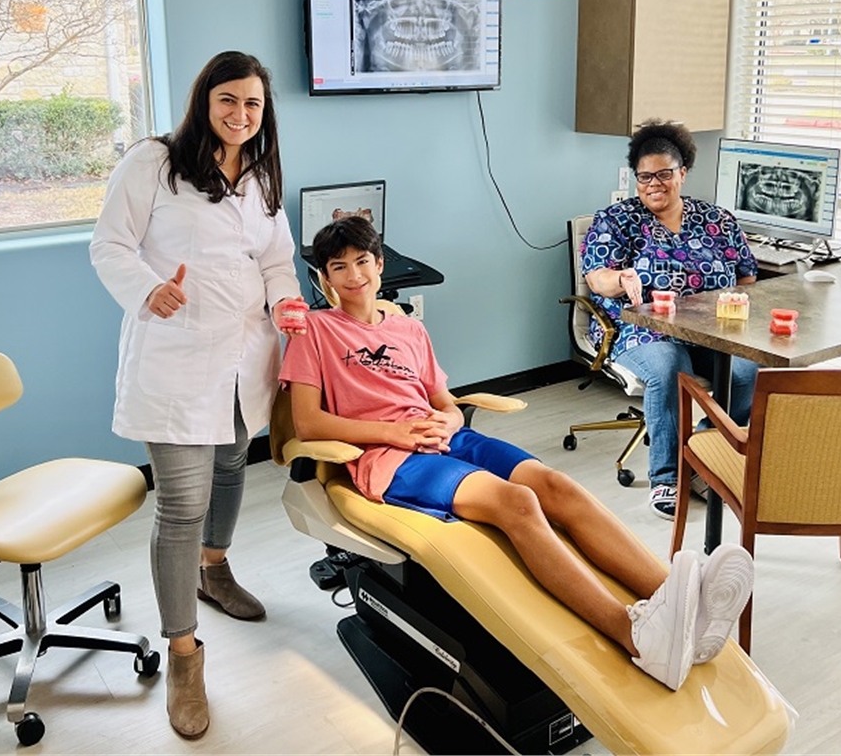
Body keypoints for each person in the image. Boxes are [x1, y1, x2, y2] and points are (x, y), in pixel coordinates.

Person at [279, 215, 755, 693]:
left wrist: (449, 418)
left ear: (380, 265)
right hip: (388, 457)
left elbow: (443, 400)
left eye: (362, 261)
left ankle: (679, 602)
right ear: (324, 278)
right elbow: (309, 423)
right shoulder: (314, 332)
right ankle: (633, 635)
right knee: (518, 504)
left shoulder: (408, 329)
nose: (353, 275)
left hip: (443, 437)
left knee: (555, 486)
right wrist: (395, 432)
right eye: (338, 267)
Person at [90, 51, 306, 739]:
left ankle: (215, 570)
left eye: (253, 104)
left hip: (247, 352)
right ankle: (185, 655)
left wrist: (290, 307)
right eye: (228, 101)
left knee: (232, 464)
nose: (242, 115)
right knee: (181, 503)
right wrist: (149, 290)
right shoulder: (155, 161)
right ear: (203, 102)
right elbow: (108, 244)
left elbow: (276, 258)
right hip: (177, 354)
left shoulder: (263, 170)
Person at [581, 120, 759, 519]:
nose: (653, 184)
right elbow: (597, 276)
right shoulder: (616, 220)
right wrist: (620, 278)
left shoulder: (718, 220)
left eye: (663, 174)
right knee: (669, 367)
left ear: (682, 173)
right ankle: (667, 478)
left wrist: (737, 302)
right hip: (640, 330)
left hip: (710, 332)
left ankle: (701, 455)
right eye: (644, 177)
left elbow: (747, 276)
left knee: (749, 372)